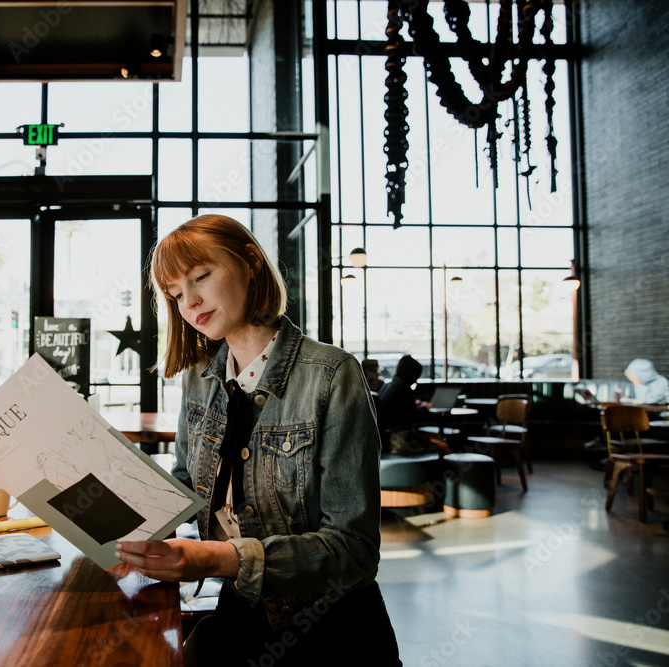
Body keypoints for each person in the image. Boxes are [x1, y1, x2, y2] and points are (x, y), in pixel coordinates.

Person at [115, 214, 400, 666]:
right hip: (240, 616)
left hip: (334, 634)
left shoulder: (330, 375)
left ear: (249, 261)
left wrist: (215, 559)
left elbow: (354, 550)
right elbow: (185, 486)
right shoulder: (199, 379)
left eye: (201, 277)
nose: (189, 302)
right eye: (174, 293)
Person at [376, 355, 441, 456]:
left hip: (385, 437)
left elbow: (400, 409)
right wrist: (425, 408)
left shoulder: (388, 385)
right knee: (442, 445)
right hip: (400, 438)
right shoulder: (403, 388)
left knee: (436, 436)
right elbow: (415, 416)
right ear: (412, 374)